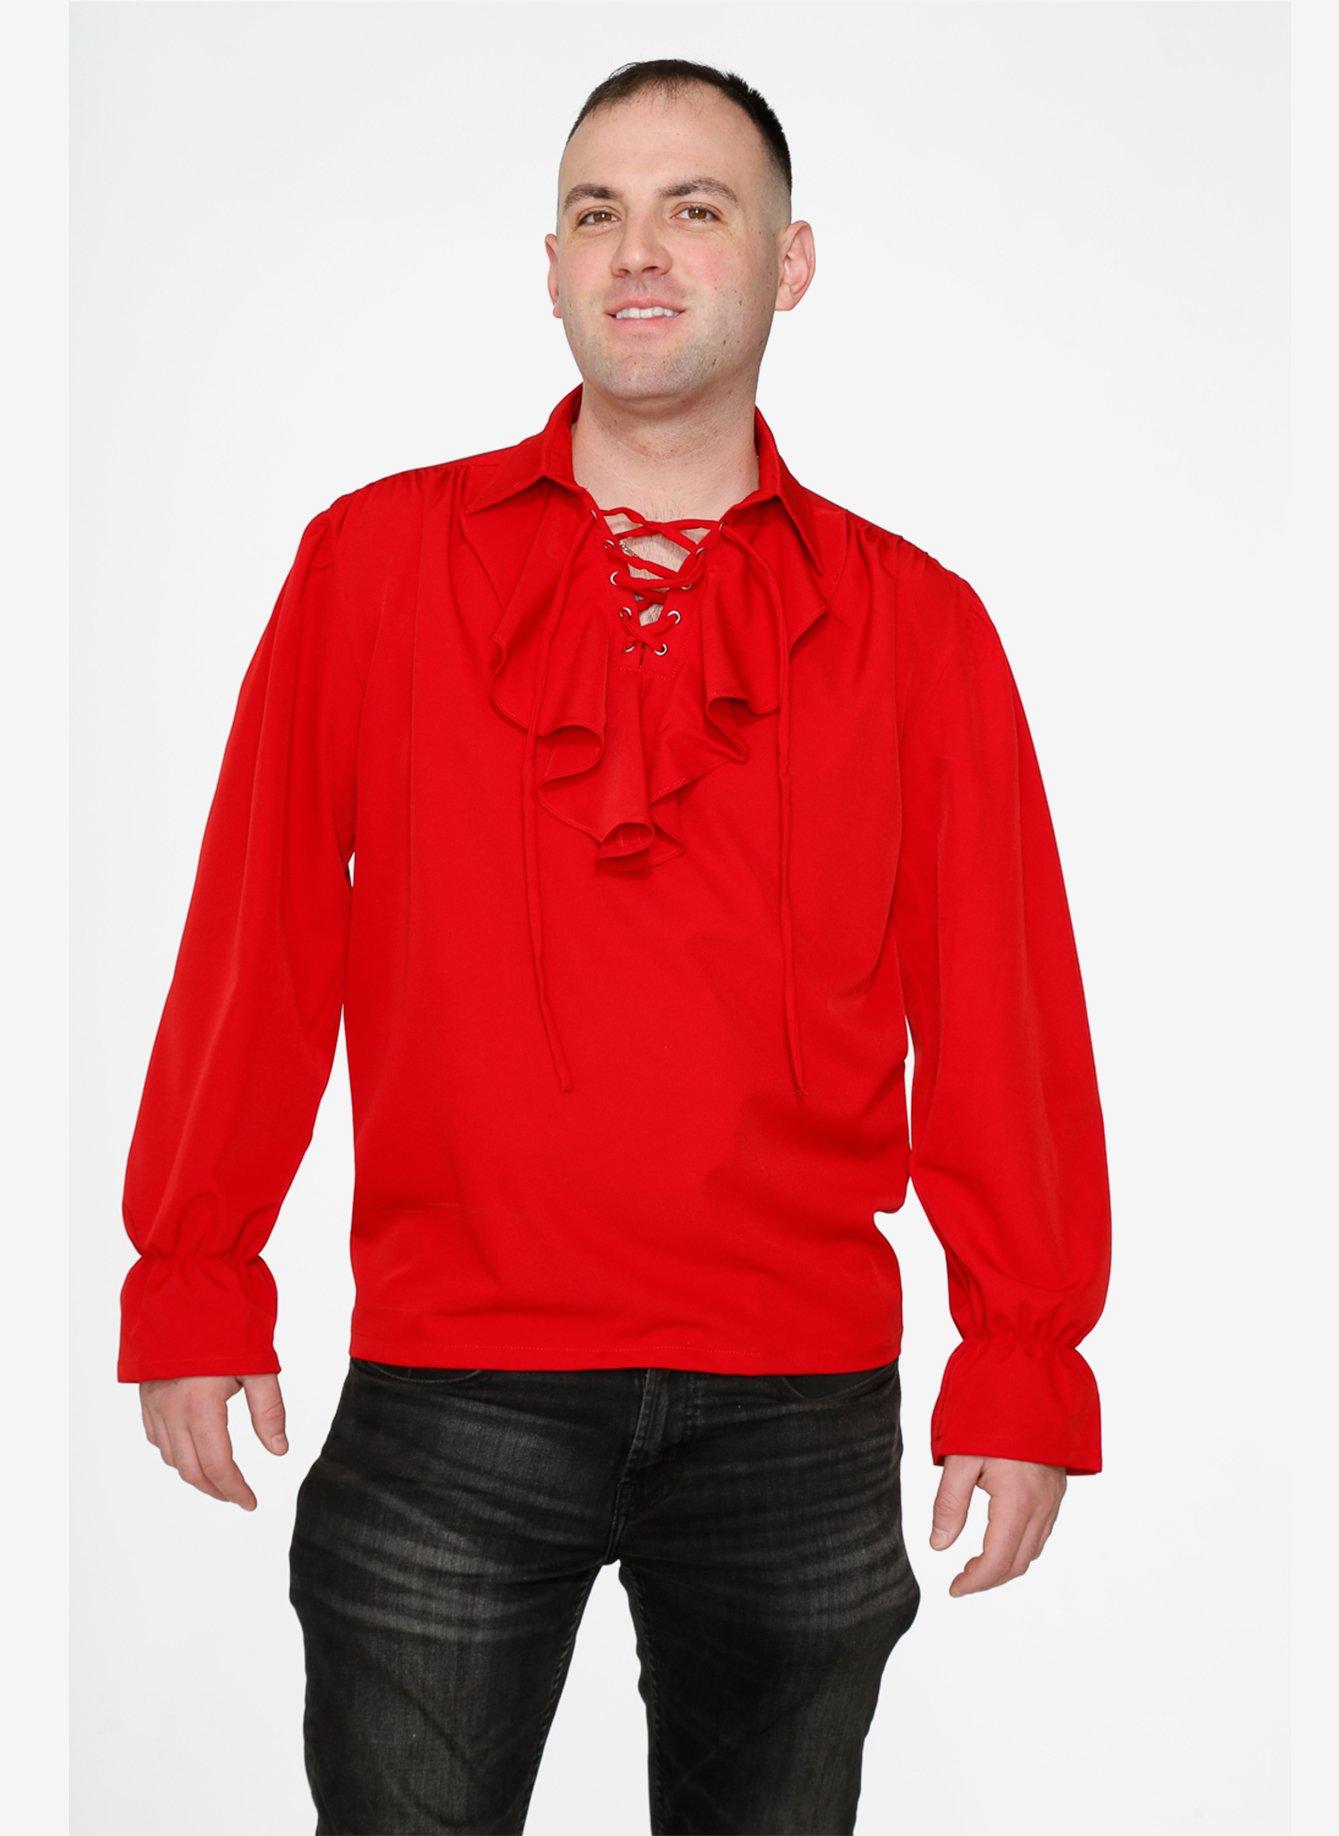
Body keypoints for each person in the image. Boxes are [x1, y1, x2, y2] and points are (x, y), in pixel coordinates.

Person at [117, 57, 1111, 1836]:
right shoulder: (371, 564)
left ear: (790, 263)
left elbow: (1003, 1006)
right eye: (597, 214)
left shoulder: (917, 625)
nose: (635, 250)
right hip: (451, 1380)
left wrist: (1022, 1356)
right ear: (554, 265)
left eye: (693, 209)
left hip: (797, 1400)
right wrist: (197, 1265)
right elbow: (256, 937)